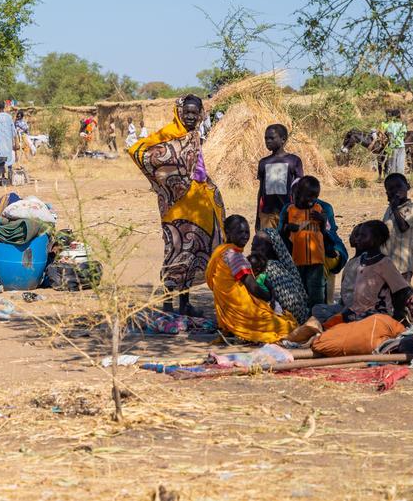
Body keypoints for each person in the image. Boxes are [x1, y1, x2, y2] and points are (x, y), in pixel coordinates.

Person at [128, 94, 225, 316]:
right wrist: (168, 180)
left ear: (200, 114)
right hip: (176, 207)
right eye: (187, 112)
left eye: (195, 112)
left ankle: (184, 304)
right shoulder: (169, 133)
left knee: (191, 254)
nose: (190, 116)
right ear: (179, 112)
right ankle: (167, 305)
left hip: (197, 204)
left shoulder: (194, 135)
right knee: (175, 252)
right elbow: (138, 151)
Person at [206, 215, 298, 343]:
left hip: (229, 311)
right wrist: (269, 297)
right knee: (286, 326)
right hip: (241, 311)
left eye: (247, 232)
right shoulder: (235, 257)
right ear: (227, 233)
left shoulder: (220, 252)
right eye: (240, 232)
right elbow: (253, 287)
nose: (245, 236)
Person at [345, 220, 412, 321]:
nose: (358, 239)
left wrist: (398, 316)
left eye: (363, 236)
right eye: (358, 235)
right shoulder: (362, 260)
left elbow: (404, 291)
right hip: (358, 312)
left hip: (376, 316)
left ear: (377, 239)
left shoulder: (384, 263)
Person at [278, 176, 329, 308]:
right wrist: (289, 227)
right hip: (297, 259)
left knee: (316, 291)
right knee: (299, 290)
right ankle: (302, 317)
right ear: (298, 194)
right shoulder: (290, 210)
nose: (312, 200)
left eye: (315, 196)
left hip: (316, 259)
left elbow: (325, 233)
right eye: (308, 196)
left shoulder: (318, 209)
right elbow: (281, 233)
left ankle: (317, 318)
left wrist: (322, 220)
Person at [250, 228, 311, 324]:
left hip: (285, 320)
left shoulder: (269, 268)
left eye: (257, 246)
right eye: (253, 245)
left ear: (271, 248)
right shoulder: (282, 266)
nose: (253, 249)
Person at [256, 124, 303, 230]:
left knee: (288, 244)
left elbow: (299, 189)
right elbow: (261, 191)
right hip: (268, 214)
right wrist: (258, 218)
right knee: (268, 244)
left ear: (283, 139)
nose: (268, 141)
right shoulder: (263, 162)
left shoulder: (294, 161)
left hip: (288, 213)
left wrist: (299, 213)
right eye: (266, 138)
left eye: (271, 138)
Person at [312, 224, 363, 323]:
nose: (352, 237)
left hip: (358, 311)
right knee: (317, 309)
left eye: (356, 235)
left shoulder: (368, 263)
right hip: (345, 308)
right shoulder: (352, 262)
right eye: (353, 234)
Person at [382, 173, 413, 282]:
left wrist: (395, 208)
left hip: (402, 264)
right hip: (387, 261)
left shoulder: (412, 209)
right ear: (387, 193)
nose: (395, 190)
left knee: (401, 293)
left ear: (407, 187)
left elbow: (403, 227)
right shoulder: (389, 209)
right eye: (391, 189)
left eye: (399, 186)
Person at [0, 101, 16, 184]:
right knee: (9, 156)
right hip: (8, 140)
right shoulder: (9, 117)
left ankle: (3, 176)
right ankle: (10, 174)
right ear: (4, 107)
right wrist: (14, 139)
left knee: (1, 156)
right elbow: (13, 130)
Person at [380, 109, 408, 175]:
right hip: (401, 146)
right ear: (399, 116)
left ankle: (392, 179)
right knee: (400, 164)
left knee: (392, 164)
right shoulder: (402, 125)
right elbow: (404, 136)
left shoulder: (390, 125)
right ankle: (400, 179)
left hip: (392, 147)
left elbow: (389, 136)